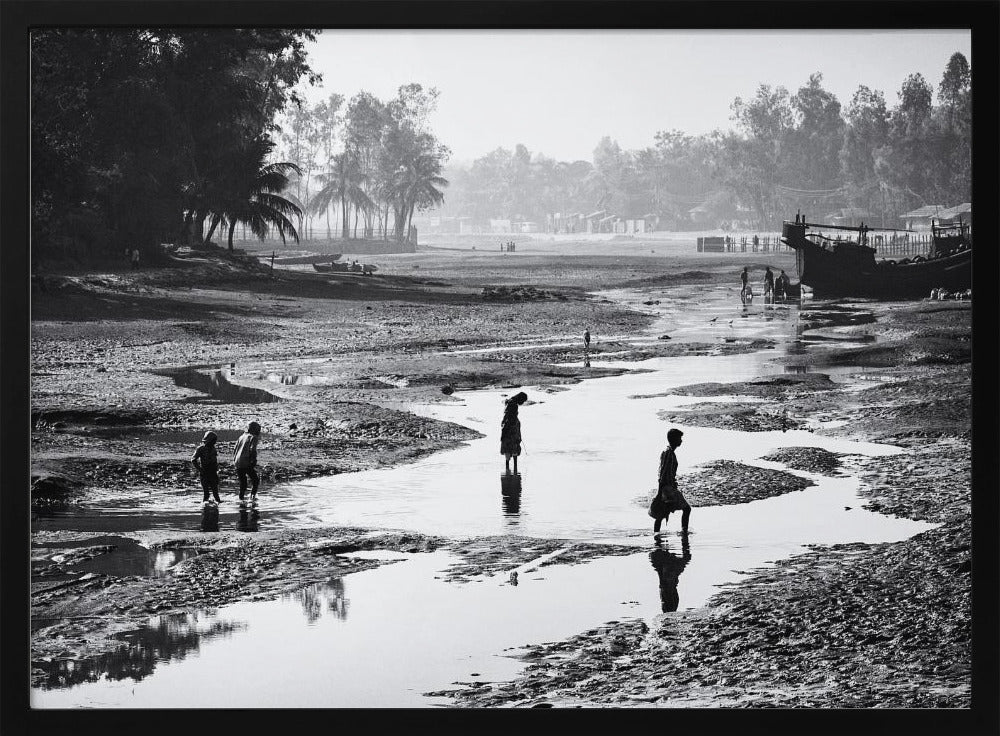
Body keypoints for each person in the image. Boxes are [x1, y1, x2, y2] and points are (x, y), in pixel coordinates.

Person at [649, 428, 691, 534]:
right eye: (679, 438)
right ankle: (684, 532)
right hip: (667, 488)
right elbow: (662, 473)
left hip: (668, 487)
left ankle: (656, 536)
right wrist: (659, 492)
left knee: (663, 512)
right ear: (674, 439)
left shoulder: (668, 452)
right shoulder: (669, 454)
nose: (681, 441)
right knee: (687, 509)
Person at [649, 533, 691, 612]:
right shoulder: (666, 581)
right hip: (669, 570)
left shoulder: (665, 581)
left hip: (668, 570)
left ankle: (658, 537)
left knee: (667, 586)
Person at [233, 421, 261, 501]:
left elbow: (235, 449)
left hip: (237, 462)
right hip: (246, 461)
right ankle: (252, 497)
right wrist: (254, 460)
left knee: (243, 482)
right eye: (258, 430)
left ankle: (241, 498)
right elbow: (253, 449)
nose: (259, 432)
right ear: (255, 430)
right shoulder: (253, 437)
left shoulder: (241, 436)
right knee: (255, 480)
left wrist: (234, 460)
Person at [500, 392, 528, 474]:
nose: (522, 403)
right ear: (520, 399)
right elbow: (510, 418)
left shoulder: (509, 402)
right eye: (522, 401)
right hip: (511, 429)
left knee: (507, 449)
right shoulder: (513, 405)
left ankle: (508, 471)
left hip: (506, 427)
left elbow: (507, 417)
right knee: (514, 447)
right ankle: (515, 470)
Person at [192, 431, 222, 504]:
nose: (214, 442)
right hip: (205, 472)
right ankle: (205, 508)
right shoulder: (201, 449)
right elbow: (193, 459)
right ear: (209, 440)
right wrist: (200, 470)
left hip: (213, 472)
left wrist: (217, 471)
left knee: (216, 492)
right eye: (213, 441)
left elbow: (215, 461)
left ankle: (216, 508)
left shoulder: (213, 449)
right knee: (206, 493)